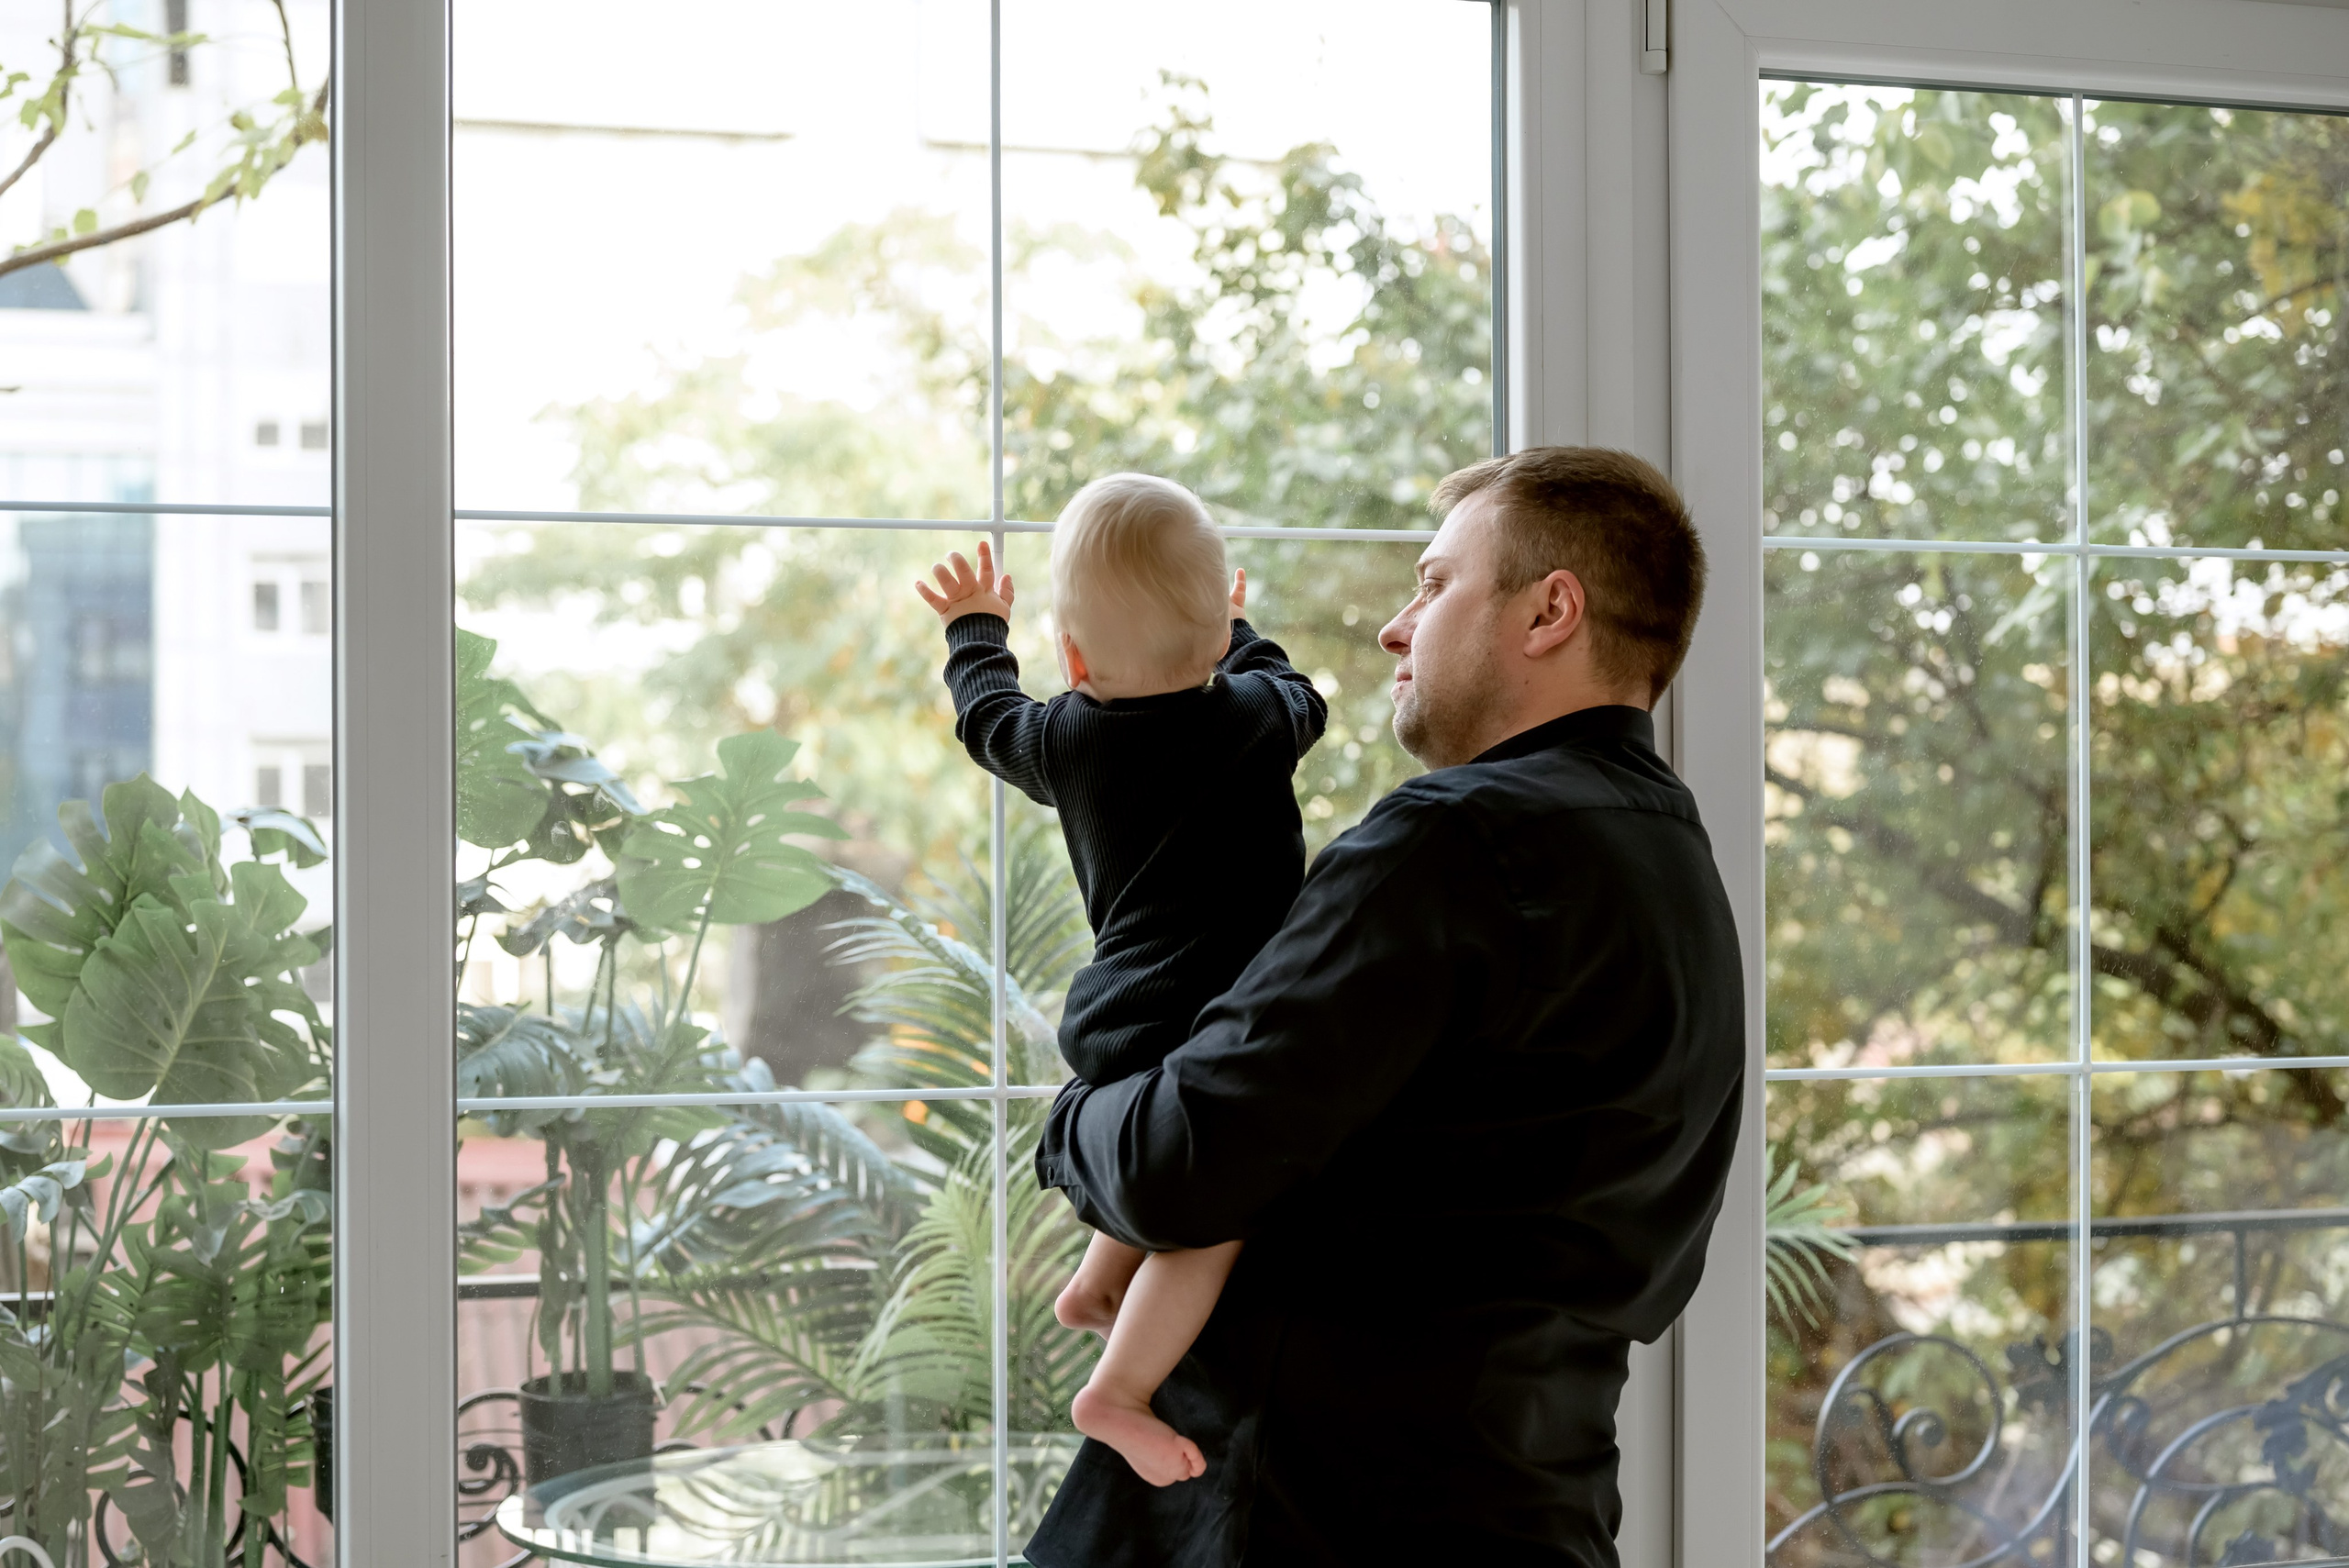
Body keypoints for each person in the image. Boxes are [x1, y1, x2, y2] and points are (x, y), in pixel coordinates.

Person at [1026, 446, 1746, 1568]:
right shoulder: (1670, 854)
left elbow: (1179, 1164)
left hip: (1307, 1520)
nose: (1394, 627)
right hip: (1530, 1517)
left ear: (1551, 609)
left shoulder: (1450, 840)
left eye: (1434, 581)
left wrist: (1069, 1115)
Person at [915, 472, 1328, 1488]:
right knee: (1216, 1209)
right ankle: (1117, 1389)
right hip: (1219, 1024)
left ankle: (1100, 1281)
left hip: (1119, 1016)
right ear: (1216, 636)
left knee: (1168, 1175)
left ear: (1075, 655)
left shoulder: (1066, 736)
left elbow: (987, 717)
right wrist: (1237, 625)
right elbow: (1302, 692)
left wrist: (975, 628)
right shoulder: (1256, 716)